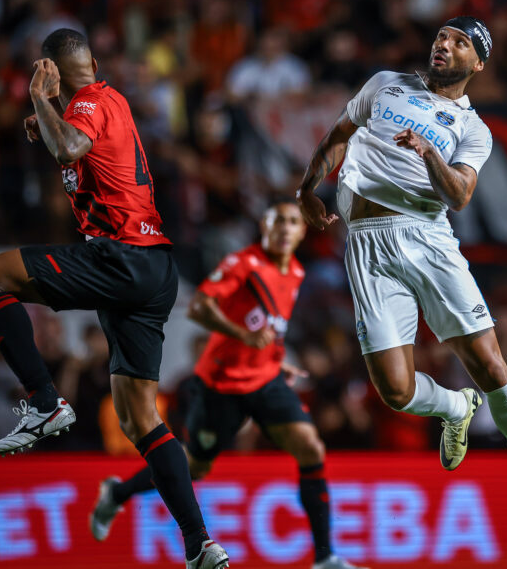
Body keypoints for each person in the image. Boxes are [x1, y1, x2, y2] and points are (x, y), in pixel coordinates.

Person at [296, 17, 507, 535]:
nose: (445, 44)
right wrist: (307, 186)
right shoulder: (383, 84)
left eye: (461, 43)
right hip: (364, 244)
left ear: (477, 64)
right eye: (442, 36)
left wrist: (430, 151)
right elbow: (339, 135)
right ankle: (455, 407)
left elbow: (458, 195)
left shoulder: (473, 129)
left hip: (426, 239)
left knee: (490, 363)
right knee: (394, 390)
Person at [0, 29, 228, 569]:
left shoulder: (85, 101)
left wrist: (41, 98)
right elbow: (79, 146)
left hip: (119, 257)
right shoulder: (106, 100)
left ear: (51, 71)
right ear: (94, 62)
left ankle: (43, 403)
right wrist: (51, 116)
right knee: (139, 420)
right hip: (154, 268)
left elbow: (71, 145)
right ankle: (199, 544)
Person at [89, 201, 366, 569]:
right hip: (221, 386)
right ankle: (117, 492)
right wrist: (243, 337)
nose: (284, 228)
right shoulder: (243, 264)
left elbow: (269, 327)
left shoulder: (296, 272)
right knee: (195, 467)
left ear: (302, 232)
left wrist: (275, 357)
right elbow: (200, 307)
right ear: (264, 228)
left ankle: (325, 557)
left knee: (311, 448)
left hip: (265, 380)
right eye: (276, 221)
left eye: (292, 222)